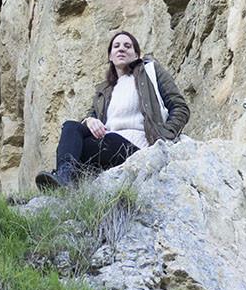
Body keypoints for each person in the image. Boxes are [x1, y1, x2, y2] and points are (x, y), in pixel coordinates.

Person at [35, 30, 190, 189]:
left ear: (136, 54)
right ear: (110, 56)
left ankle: (67, 181)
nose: (121, 49)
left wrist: (164, 137)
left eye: (127, 46)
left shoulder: (151, 71)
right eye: (116, 46)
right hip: (107, 145)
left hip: (137, 146)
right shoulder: (105, 90)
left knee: (104, 142)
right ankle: (64, 177)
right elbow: (90, 117)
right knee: (70, 128)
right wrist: (90, 120)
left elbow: (180, 108)